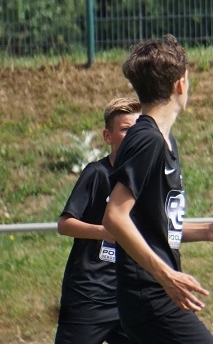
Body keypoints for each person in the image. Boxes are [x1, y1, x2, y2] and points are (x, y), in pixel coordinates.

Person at [103, 35, 213, 344]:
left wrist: (207, 231)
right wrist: (165, 274)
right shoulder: (147, 139)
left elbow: (151, 224)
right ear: (180, 84)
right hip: (149, 295)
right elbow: (115, 217)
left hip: (154, 294)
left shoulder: (164, 140)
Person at [55, 97, 140, 344]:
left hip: (127, 297)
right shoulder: (96, 173)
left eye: (138, 130)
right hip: (89, 295)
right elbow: (64, 224)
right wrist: (104, 232)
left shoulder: (143, 178)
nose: (133, 136)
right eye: (125, 129)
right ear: (108, 136)